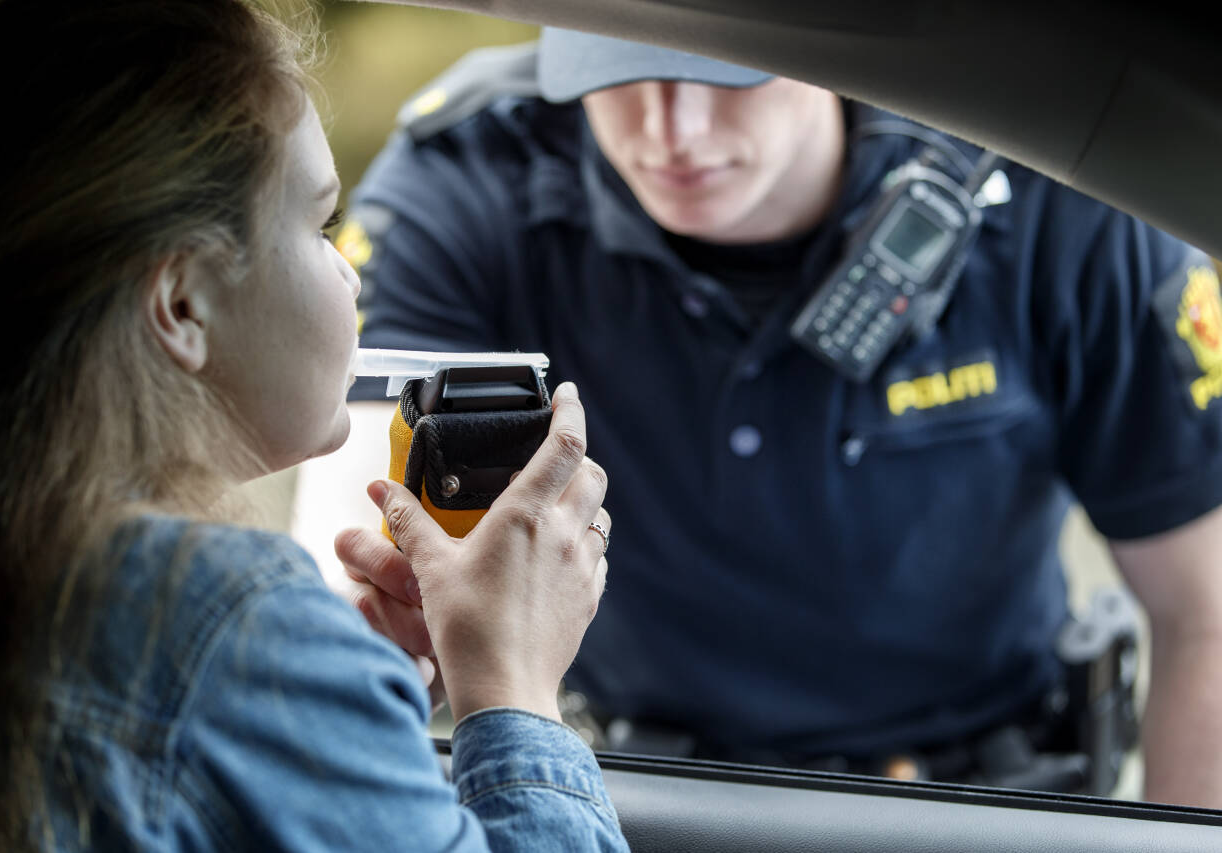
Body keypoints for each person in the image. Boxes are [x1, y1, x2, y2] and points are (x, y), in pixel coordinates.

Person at [307, 27, 1222, 808]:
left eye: (728, 68)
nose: (673, 131)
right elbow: (351, 575)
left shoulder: (1057, 192)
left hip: (983, 803)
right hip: (633, 794)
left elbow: (1205, 610)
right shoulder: (467, 179)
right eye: (617, 75)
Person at [0, 3, 626, 851]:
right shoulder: (223, 621)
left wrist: (338, 694)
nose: (348, 273)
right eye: (317, 224)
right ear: (182, 303)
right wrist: (515, 685)